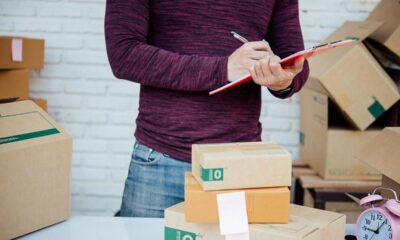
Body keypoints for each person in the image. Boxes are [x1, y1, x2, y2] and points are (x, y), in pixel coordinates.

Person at [105, 0, 309, 218]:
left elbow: (295, 64)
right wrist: (222, 69)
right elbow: (124, 54)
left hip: (239, 163)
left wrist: (281, 81)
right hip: (161, 159)